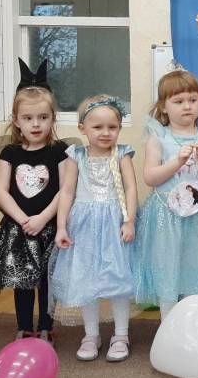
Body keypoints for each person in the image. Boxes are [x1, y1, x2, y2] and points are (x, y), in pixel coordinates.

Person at [49, 95, 137, 362]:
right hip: (84, 226)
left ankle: (121, 335)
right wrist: (61, 226)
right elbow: (67, 192)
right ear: (82, 128)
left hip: (115, 223)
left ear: (119, 128)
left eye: (112, 127)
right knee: (87, 281)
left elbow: (131, 188)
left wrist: (130, 220)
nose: (105, 132)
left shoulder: (122, 154)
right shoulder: (76, 155)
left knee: (119, 280)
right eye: (97, 127)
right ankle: (91, 334)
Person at [0, 61, 67, 344]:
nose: (36, 124)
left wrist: (43, 218)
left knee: (46, 280)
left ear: (53, 119)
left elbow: (66, 189)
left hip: (49, 226)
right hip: (18, 228)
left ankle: (46, 326)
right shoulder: (10, 152)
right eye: (28, 118)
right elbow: (1, 191)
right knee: (21, 280)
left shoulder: (59, 151)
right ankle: (23, 326)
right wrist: (23, 220)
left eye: (43, 117)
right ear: (17, 120)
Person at [133, 66, 198, 319]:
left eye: (193, 100)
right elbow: (150, 177)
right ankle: (168, 326)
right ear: (164, 106)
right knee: (168, 268)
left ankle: (197, 323)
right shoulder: (158, 137)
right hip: (166, 215)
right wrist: (177, 162)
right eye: (179, 101)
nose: (187, 106)